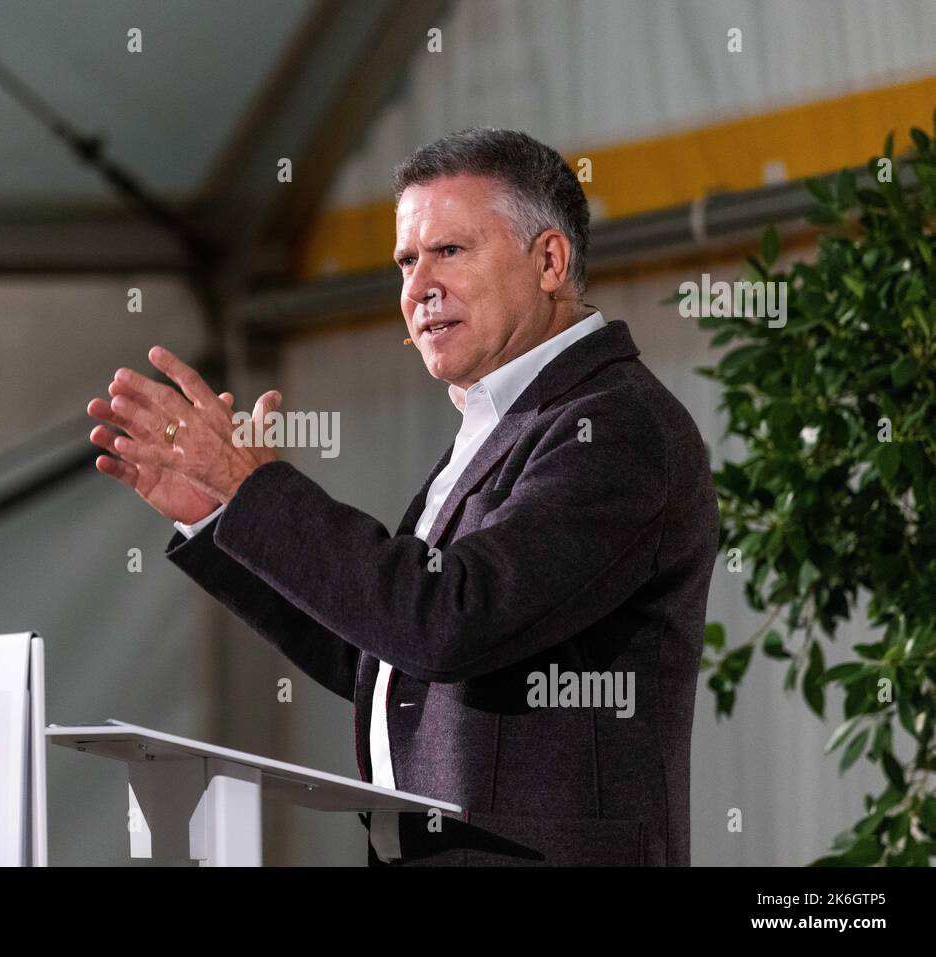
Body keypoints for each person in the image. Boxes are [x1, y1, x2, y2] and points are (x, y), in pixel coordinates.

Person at [87, 128, 718, 866]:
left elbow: (448, 622)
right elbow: (383, 651)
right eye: (405, 261)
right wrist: (222, 514)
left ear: (549, 260)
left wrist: (255, 487)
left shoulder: (615, 426)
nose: (418, 287)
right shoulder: (498, 422)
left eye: (449, 251)